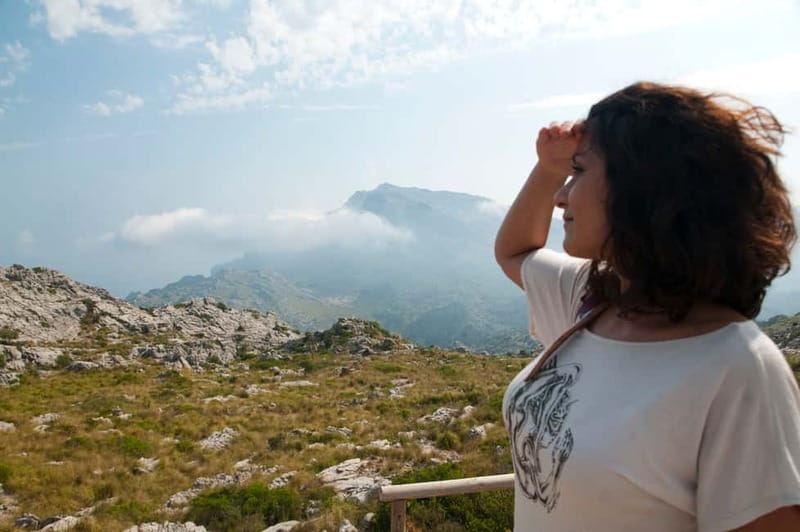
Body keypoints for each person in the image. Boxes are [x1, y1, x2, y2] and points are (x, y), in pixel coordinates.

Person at [494, 82, 800, 531]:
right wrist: (549, 169)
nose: (561, 196)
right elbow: (516, 251)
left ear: (642, 189)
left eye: (579, 172)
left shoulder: (737, 368)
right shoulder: (591, 301)